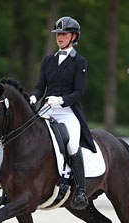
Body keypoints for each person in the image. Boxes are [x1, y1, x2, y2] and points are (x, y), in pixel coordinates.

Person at [30, 16, 96, 210]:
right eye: (58, 34)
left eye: (64, 34)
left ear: (73, 37)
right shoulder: (48, 60)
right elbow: (39, 86)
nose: (59, 37)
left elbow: (79, 92)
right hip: (47, 110)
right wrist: (33, 98)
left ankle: (81, 191)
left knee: (73, 145)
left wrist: (61, 100)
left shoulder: (79, 62)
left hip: (67, 111)